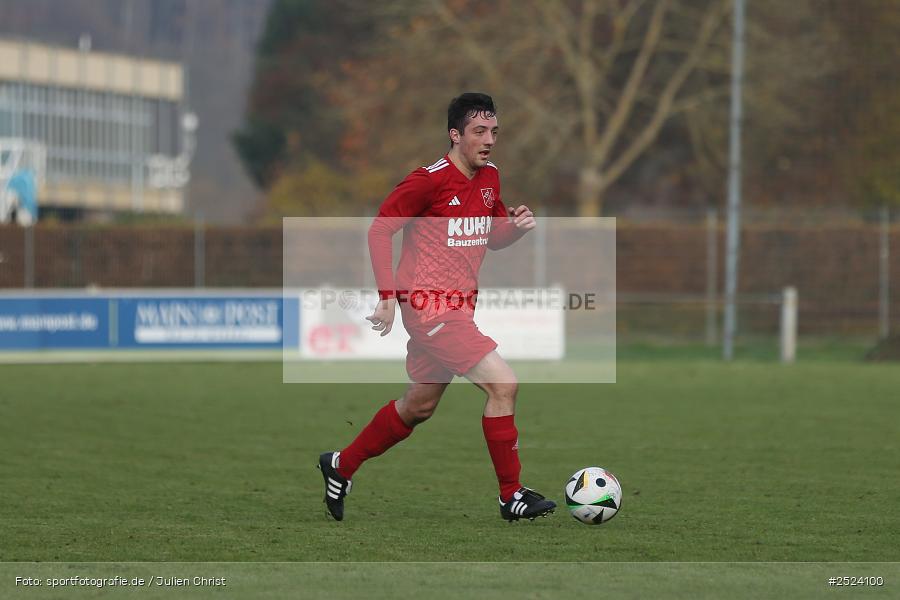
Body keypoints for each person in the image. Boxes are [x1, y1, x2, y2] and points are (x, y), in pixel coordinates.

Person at [319, 93, 555, 522]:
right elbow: (378, 232)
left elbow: (491, 236)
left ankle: (341, 464)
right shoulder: (427, 181)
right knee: (503, 385)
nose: (489, 140)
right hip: (429, 309)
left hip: (459, 309)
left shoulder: (490, 178)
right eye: (479, 132)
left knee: (419, 406)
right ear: (455, 134)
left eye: (494, 132)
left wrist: (514, 229)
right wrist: (387, 297)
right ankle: (511, 495)